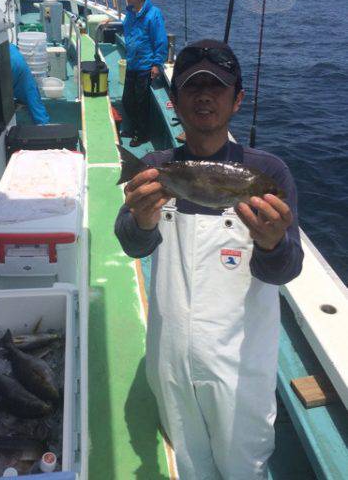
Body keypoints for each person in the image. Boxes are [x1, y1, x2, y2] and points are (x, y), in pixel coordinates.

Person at [115, 39, 304, 479]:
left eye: (217, 88)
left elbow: (287, 268)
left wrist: (274, 242)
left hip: (239, 362)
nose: (204, 96)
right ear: (175, 101)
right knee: (187, 461)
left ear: (237, 100)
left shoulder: (270, 173)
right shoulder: (155, 167)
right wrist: (142, 221)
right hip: (169, 357)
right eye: (193, 87)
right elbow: (131, 243)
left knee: (244, 464)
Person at [117, 0, 168, 147]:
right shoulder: (130, 14)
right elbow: (127, 32)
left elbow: (160, 41)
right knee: (127, 100)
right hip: (132, 63)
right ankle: (132, 128)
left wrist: (156, 64)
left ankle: (142, 134)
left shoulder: (154, 14)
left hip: (145, 66)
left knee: (141, 102)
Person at [9, 42, 50, 125]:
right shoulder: (13, 48)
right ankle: (44, 127)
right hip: (18, 60)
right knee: (33, 98)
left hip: (8, 62)